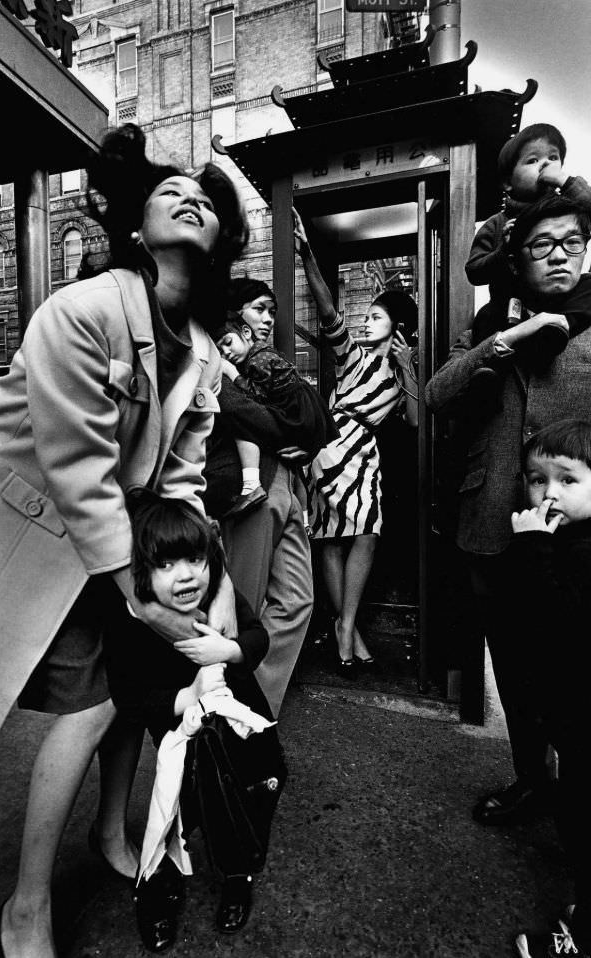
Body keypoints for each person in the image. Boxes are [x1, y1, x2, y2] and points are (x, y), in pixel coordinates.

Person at [0, 122, 248, 958]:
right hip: (15, 526)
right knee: (87, 707)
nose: (189, 194)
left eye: (204, 197)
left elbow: (182, 481)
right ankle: (25, 906)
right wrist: (147, 599)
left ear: (220, 238)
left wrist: (205, 577)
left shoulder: (204, 353)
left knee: (129, 689)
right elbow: (82, 474)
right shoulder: (83, 309)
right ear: (130, 229)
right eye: (167, 191)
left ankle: (111, 838)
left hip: (107, 537)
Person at [426, 194, 591, 828]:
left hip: (577, 542)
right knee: (516, 669)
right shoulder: (493, 323)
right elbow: (439, 394)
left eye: (570, 243)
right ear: (517, 258)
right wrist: (506, 341)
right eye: (543, 245)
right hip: (496, 522)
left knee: (575, 674)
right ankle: (530, 779)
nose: (558, 256)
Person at [103, 490, 284, 950]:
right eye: (165, 565)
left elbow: (258, 636)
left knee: (243, 805)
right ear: (138, 574)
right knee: (175, 814)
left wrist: (232, 650)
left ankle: (238, 876)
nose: (185, 576)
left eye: (194, 560)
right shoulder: (133, 624)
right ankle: (160, 891)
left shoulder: (217, 604)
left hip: (243, 733)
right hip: (179, 743)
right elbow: (129, 693)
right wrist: (187, 696)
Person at [293, 208, 418, 678]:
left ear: (398, 324)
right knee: (329, 537)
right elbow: (327, 311)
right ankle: (349, 631)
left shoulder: (402, 368)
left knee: (365, 532)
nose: (366, 322)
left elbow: (411, 421)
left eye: (376, 316)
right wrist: (306, 253)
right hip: (332, 445)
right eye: (366, 315)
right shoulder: (353, 356)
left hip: (365, 454)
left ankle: (347, 628)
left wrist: (407, 370)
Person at [204, 275, 330, 717]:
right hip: (250, 488)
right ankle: (225, 712)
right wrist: (296, 432)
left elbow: (307, 418)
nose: (268, 319)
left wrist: (305, 435)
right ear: (236, 314)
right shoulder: (217, 355)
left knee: (297, 601)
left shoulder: (265, 362)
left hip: (284, 484)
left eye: (272, 311)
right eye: (259, 309)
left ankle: (248, 704)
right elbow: (254, 417)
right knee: (242, 602)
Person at [507, 420, 591, 958]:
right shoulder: (569, 541)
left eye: (568, 480)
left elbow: (558, 622)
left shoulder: (574, 551)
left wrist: (534, 549)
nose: (550, 492)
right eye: (539, 480)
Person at [213, 310, 337, 517]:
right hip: (301, 408)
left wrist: (231, 373)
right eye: (220, 350)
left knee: (245, 428)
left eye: (228, 342)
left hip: (294, 409)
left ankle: (251, 485)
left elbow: (256, 396)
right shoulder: (264, 354)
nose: (226, 352)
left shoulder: (257, 360)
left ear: (246, 332)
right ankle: (304, 516)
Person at [466, 123, 591, 309]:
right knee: (487, 316)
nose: (546, 164)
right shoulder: (497, 224)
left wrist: (566, 182)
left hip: (564, 303)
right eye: (533, 160)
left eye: (553, 157)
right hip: (512, 307)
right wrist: (503, 250)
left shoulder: (568, 211)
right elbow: (474, 272)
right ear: (508, 182)